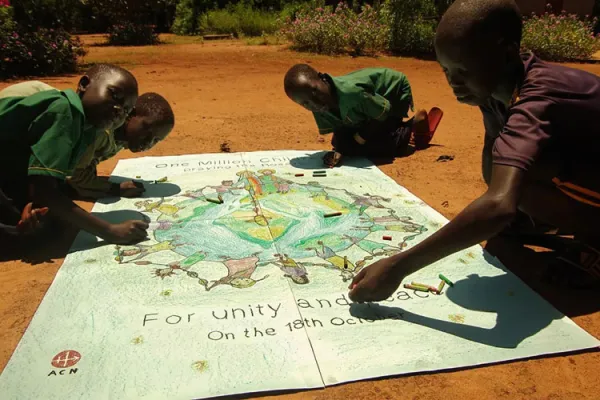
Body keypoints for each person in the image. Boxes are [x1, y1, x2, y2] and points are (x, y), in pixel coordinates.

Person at [349, 0, 600, 302]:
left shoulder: (538, 100)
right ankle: (540, 221)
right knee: (507, 171)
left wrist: (398, 267)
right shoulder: (495, 87)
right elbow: (493, 161)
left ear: (506, 52)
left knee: (515, 186)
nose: (453, 81)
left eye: (463, 69)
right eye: (446, 69)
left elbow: (498, 205)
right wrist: (511, 208)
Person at [0, 64, 148, 244]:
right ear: (84, 84)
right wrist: (111, 231)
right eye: (114, 96)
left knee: (52, 221)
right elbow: (44, 191)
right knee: (38, 233)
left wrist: (33, 203)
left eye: (126, 111)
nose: (118, 110)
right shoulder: (64, 110)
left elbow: (44, 182)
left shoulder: (87, 129)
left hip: (11, 176)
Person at [0, 79, 175, 199]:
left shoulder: (122, 137)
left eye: (156, 141)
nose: (148, 143)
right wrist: (114, 188)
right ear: (130, 115)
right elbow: (77, 178)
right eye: (147, 131)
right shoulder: (101, 130)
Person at [284, 64, 443, 167]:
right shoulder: (318, 107)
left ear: (321, 78)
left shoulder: (352, 94)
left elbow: (382, 113)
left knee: (384, 148)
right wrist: (340, 149)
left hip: (392, 95)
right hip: (368, 106)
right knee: (344, 144)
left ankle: (413, 123)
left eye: (314, 91)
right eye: (305, 103)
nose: (314, 102)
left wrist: (360, 138)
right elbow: (339, 127)